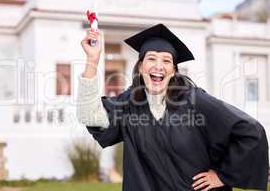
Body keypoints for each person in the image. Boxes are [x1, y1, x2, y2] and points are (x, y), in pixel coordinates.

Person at [76, 23, 269, 191]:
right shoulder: (130, 103)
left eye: (166, 61)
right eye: (151, 58)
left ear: (174, 70)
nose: (159, 66)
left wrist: (222, 175)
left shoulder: (195, 101)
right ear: (141, 67)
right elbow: (91, 116)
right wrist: (93, 60)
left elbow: (250, 131)